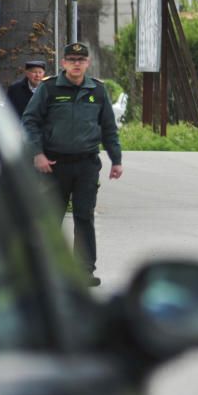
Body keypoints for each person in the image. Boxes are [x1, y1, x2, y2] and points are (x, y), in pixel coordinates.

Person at [22, 42, 123, 286]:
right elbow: (30, 121)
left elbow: (108, 127)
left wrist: (116, 159)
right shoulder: (49, 89)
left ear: (87, 63)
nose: (76, 64)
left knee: (84, 217)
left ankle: (84, 270)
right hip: (54, 165)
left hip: (86, 164)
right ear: (63, 63)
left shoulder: (97, 90)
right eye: (71, 60)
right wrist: (37, 154)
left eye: (81, 60)